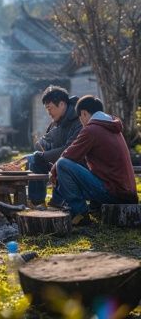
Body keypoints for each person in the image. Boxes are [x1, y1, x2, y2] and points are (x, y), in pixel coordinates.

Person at [51, 95, 138, 225]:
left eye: (80, 118)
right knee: (80, 164)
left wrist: (53, 170)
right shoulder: (112, 127)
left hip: (114, 192)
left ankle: (80, 214)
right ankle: (94, 208)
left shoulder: (92, 129)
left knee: (63, 164)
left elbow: (68, 156)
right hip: (127, 193)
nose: (81, 122)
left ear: (84, 113)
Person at [25, 85, 82, 207]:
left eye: (49, 108)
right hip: (59, 162)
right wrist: (40, 147)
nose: (48, 113)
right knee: (36, 161)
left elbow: (69, 150)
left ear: (61, 104)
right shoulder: (55, 123)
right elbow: (45, 143)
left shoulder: (79, 120)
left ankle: (59, 200)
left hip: (78, 165)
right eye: (47, 109)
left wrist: (43, 156)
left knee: (59, 162)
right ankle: (36, 202)